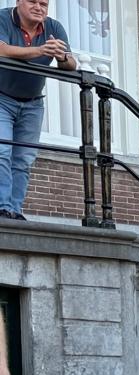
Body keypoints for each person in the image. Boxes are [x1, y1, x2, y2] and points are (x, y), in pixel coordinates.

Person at [0, 0, 75, 220]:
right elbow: (1, 49)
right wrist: (39, 50)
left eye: (44, 3)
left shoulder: (54, 27)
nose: (38, 7)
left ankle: (14, 209)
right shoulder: (3, 18)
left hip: (33, 103)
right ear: (19, 2)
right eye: (32, 1)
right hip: (2, 98)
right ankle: (2, 207)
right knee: (2, 151)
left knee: (24, 158)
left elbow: (71, 64)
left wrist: (61, 56)